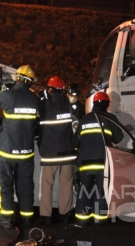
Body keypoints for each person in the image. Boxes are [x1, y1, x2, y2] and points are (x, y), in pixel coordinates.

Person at [0, 65, 39, 229]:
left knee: (5, 184)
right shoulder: (34, 99)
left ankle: (6, 218)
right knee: (25, 185)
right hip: (26, 152)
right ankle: (27, 218)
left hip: (7, 151)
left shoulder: (9, 95)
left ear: (17, 78)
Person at [72, 91, 123, 227]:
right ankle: (99, 219)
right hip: (103, 164)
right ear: (107, 104)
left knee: (85, 190)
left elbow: (76, 142)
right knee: (101, 191)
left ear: (94, 104)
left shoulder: (84, 119)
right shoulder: (111, 118)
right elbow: (118, 138)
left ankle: (82, 219)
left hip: (86, 164)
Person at [37, 76, 76, 225]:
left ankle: (45, 216)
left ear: (50, 89)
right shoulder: (67, 102)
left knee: (47, 183)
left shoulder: (45, 104)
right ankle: (65, 214)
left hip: (50, 151)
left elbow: (40, 101)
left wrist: (42, 94)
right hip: (66, 150)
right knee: (66, 182)